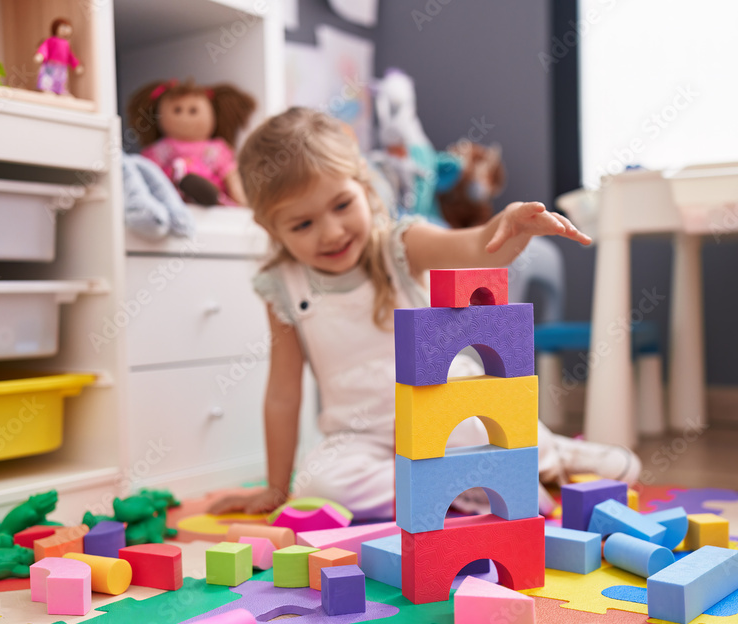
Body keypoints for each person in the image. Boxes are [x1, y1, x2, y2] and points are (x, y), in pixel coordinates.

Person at [210, 108, 640, 519]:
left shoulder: (401, 245)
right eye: (302, 225)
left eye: (342, 205)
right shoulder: (282, 285)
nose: (332, 232)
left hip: (447, 409)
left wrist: (508, 223)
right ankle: (466, 485)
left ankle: (551, 456)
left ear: (363, 185)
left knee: (480, 426)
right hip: (363, 437)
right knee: (317, 487)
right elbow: (283, 394)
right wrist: (275, 488)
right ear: (272, 230)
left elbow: (473, 247)